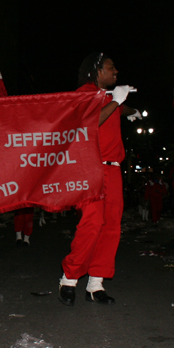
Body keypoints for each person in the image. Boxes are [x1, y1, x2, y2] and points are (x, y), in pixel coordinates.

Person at [59, 52, 138, 306]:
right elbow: (89, 122)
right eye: (111, 67)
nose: (116, 72)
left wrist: (130, 109)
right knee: (93, 221)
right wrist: (116, 101)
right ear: (96, 70)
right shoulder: (85, 92)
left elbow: (116, 107)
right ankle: (69, 279)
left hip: (114, 169)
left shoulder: (107, 97)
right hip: (91, 168)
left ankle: (95, 284)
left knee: (111, 226)